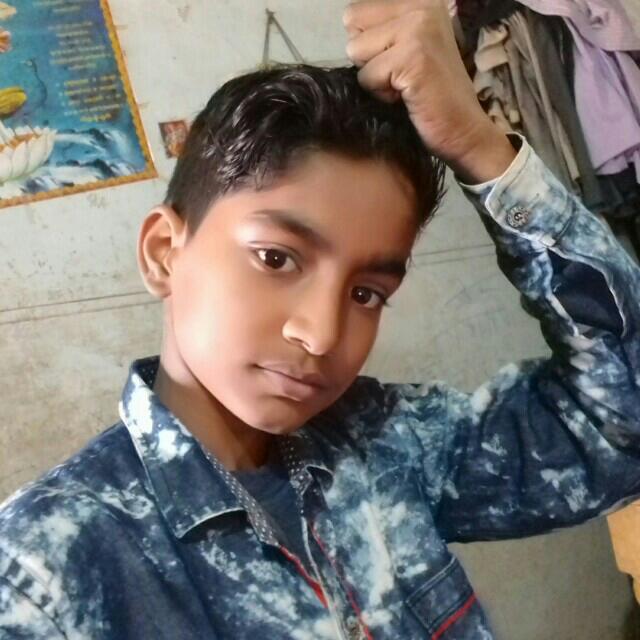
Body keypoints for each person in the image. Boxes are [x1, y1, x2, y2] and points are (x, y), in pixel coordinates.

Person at [1, 1, 639, 638]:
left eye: (366, 293)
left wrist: (480, 148)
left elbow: (620, 423)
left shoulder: (386, 444)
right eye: (276, 258)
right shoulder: (44, 573)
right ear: (165, 252)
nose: (321, 334)